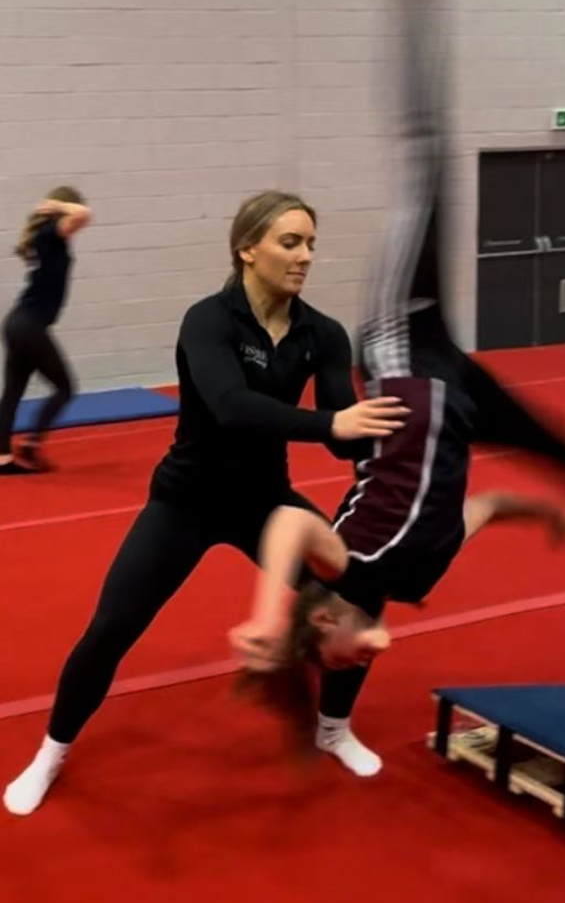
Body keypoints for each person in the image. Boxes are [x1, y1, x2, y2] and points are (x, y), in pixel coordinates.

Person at [229, 0, 565, 779]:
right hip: (457, 401)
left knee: (428, 168)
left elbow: (290, 523)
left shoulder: (352, 559)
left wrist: (265, 615)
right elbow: (482, 510)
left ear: (324, 626)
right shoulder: (418, 573)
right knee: (552, 442)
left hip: (404, 352)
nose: (362, 658)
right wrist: (540, 517)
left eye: (341, 660)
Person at [3, 190, 407, 816]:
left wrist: (387, 469)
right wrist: (334, 426)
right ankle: (51, 751)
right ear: (247, 249)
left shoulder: (322, 334)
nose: (305, 257)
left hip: (268, 503)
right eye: (290, 242)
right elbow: (233, 407)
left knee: (358, 594)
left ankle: (333, 727)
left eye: (311, 245)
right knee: (111, 628)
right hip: (185, 500)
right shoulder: (208, 320)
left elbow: (341, 433)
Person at [0, 187, 92, 475]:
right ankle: (31, 442)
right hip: (28, 325)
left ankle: (3, 458)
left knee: (12, 392)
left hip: (18, 323)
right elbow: (85, 214)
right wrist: (57, 206)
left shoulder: (45, 236)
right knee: (65, 387)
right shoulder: (54, 232)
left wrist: (56, 209)